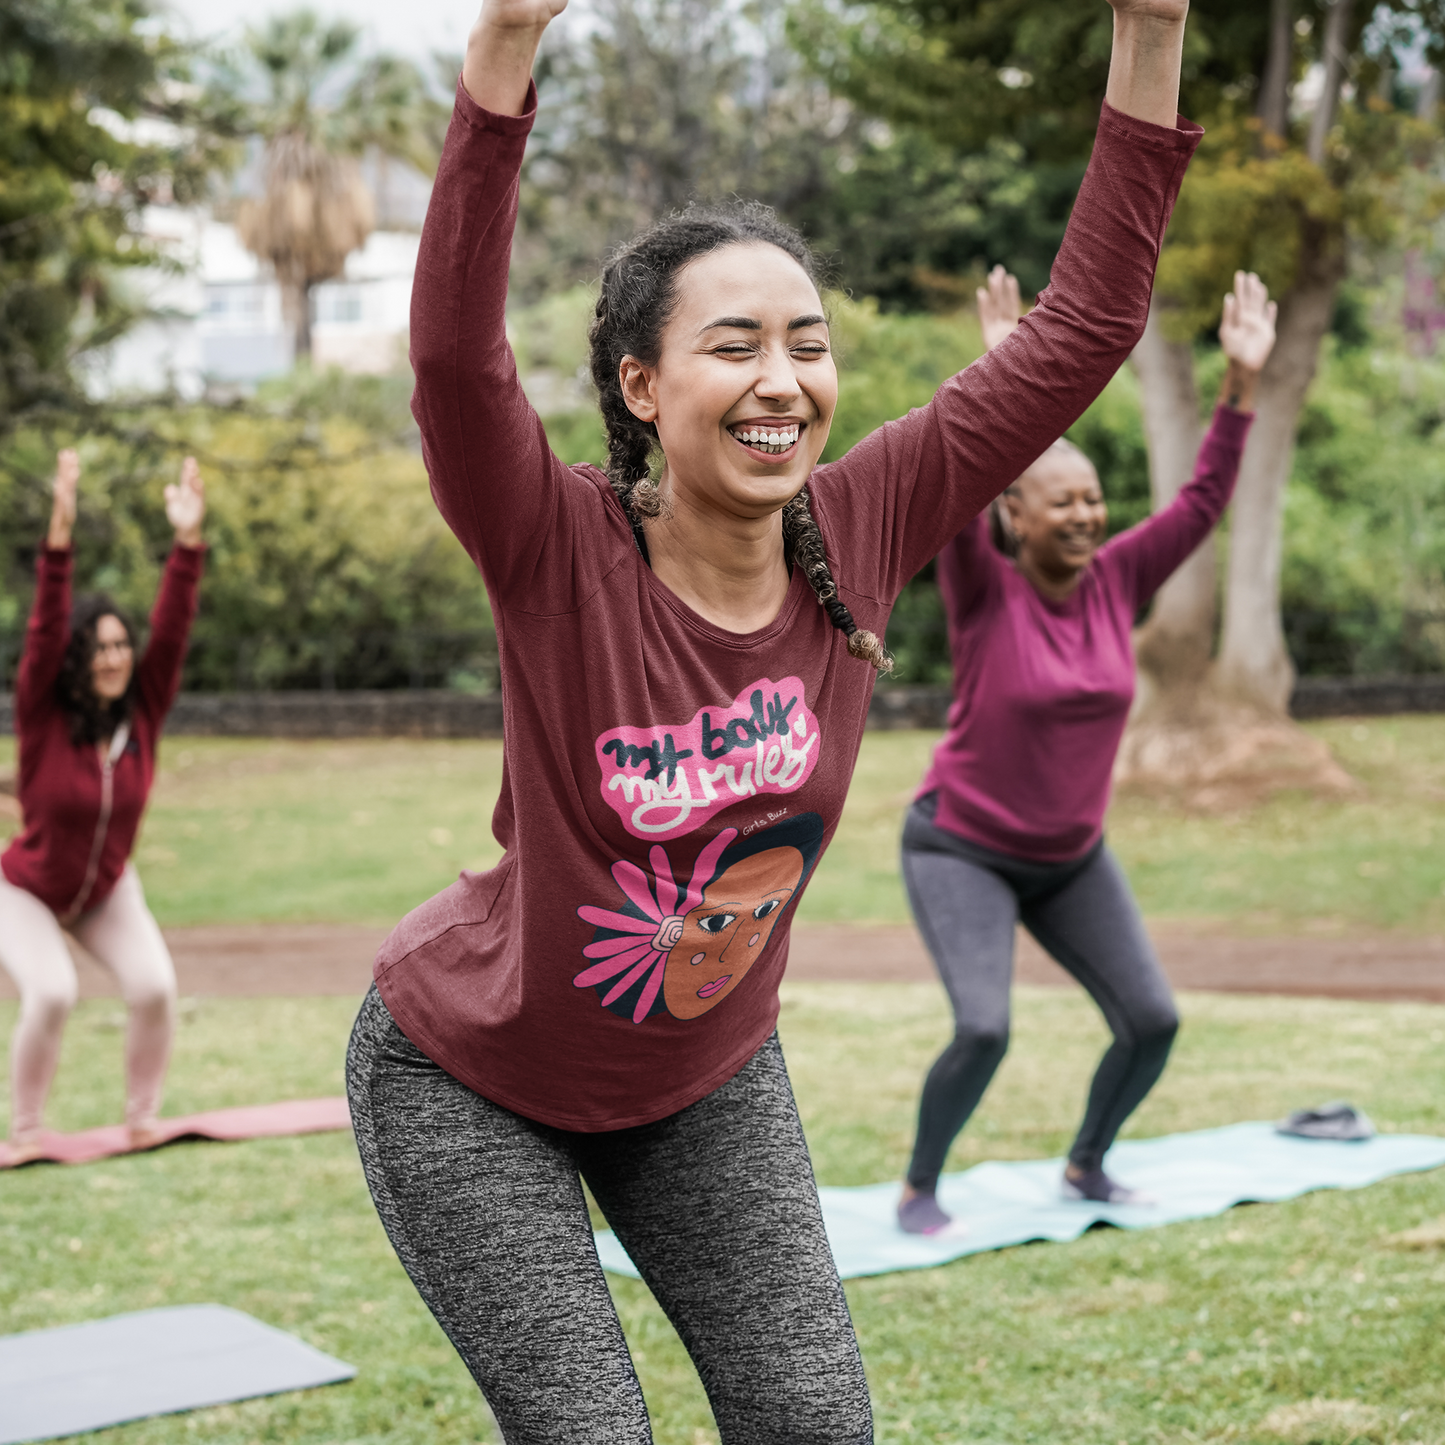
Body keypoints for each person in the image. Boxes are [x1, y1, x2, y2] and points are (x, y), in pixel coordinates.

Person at [344, 0, 1198, 1437]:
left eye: (806, 345)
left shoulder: (865, 520)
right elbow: (452, 364)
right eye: (732, 346)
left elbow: (1088, 326)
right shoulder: (551, 542)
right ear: (640, 384)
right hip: (467, 1077)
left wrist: (1154, 28)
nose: (782, 382)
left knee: (814, 1423)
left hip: (703, 1076)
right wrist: (500, 53)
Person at [895, 268, 1277, 1236]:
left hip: (1069, 858)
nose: (1082, 514)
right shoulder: (980, 584)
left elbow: (1197, 502)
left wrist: (1238, 383)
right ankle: (918, 1186)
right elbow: (965, 471)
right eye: (1057, 502)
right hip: (961, 846)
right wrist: (1002, 375)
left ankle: (1085, 1165)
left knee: (1151, 1019)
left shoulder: (1117, 578)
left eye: (1090, 499)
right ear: (1013, 515)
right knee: (983, 1026)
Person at [1, 450, 206, 1164]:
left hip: (105, 888)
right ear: (79, 657)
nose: (114, 657)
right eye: (100, 647)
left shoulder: (143, 712)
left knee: (154, 985)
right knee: (51, 990)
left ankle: (141, 1118)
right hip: (23, 887)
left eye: (122, 644)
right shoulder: (43, 713)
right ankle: (26, 1132)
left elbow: (173, 632)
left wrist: (187, 544)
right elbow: (44, 626)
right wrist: (60, 526)